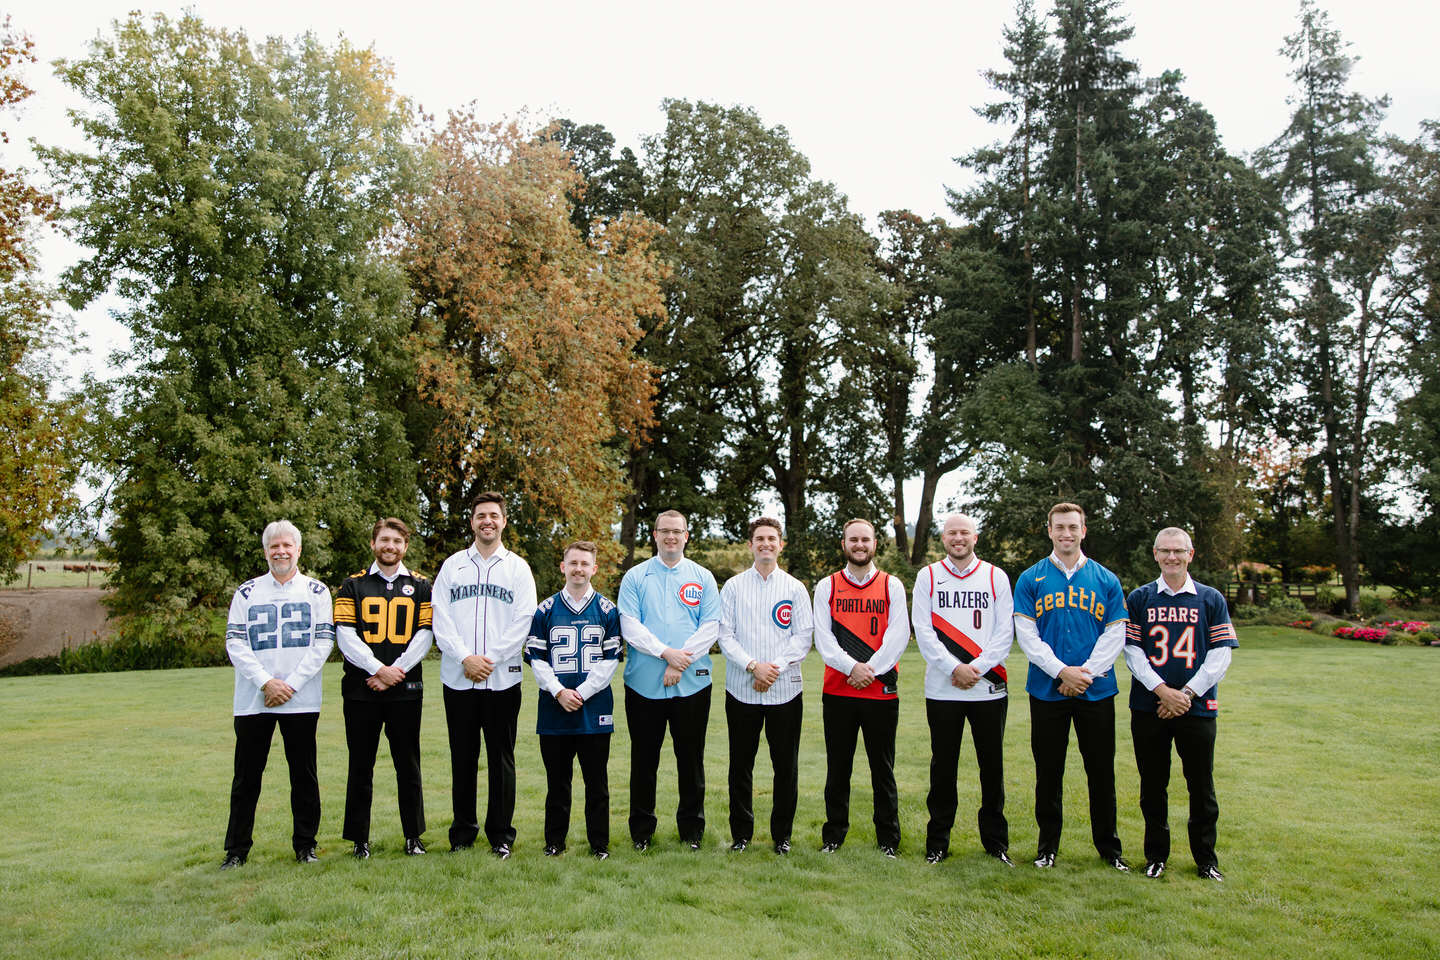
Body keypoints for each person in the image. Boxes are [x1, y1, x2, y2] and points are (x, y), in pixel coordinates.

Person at [1012, 502, 1130, 871]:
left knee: (1101, 771)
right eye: (1059, 527)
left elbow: (1116, 634)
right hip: (1048, 690)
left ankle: (1109, 850)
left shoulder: (1106, 579)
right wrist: (1062, 671)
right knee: (1049, 772)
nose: (1067, 533)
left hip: (1096, 690)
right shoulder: (1031, 578)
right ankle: (1047, 848)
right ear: (1049, 531)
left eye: (1073, 527)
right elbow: (1027, 636)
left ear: (1084, 530)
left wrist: (1084, 675)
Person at [220, 519, 336, 868]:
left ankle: (306, 846)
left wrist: (292, 684)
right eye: (274, 546)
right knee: (246, 778)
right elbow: (235, 642)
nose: (281, 551)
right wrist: (265, 682)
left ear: (298, 550)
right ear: (266, 551)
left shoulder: (316, 592)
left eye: (287, 546)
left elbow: (323, 642)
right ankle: (236, 851)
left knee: (303, 775)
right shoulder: (247, 592)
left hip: (300, 700)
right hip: (255, 700)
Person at [1124, 527, 1238, 881]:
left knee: (1201, 785)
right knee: (1152, 785)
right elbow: (1131, 651)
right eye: (1165, 551)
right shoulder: (1140, 598)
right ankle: (1156, 856)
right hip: (1149, 707)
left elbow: (1220, 655)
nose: (1172, 557)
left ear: (1191, 554)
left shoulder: (1210, 598)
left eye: (1179, 551)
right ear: (1155, 554)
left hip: (1197, 707)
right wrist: (1162, 691)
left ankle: (1206, 859)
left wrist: (1185, 694)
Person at [431, 491, 538, 858]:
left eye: (494, 515)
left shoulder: (517, 568)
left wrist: (488, 659)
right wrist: (465, 658)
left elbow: (523, 620)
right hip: (458, 678)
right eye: (481, 516)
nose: (487, 521)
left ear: (504, 521)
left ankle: (501, 836)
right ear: (472, 521)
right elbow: (439, 618)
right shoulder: (453, 565)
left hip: (502, 678)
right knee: (462, 757)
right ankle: (462, 834)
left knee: (501, 757)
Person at [911, 513, 1015, 866]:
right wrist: (955, 667)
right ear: (943, 538)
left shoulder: (994, 576)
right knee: (943, 768)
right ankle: (937, 842)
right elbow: (923, 632)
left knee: (992, 767)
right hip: (943, 689)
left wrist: (976, 669)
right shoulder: (928, 576)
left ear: (975, 537)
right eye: (952, 533)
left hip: (988, 688)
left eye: (965, 533)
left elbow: (1005, 632)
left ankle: (996, 844)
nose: (959, 538)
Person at [616, 510, 721, 851]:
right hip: (643, 685)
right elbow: (630, 625)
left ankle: (692, 831)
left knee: (690, 760)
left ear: (687, 535)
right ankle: (642, 832)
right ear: (655, 534)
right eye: (665, 531)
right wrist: (666, 653)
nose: (671, 537)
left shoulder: (703, 577)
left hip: (692, 684)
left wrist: (680, 660)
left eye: (677, 531)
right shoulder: (635, 577)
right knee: (644, 761)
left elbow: (710, 627)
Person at [333, 518, 434, 859]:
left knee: (408, 766)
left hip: (405, 688)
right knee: (361, 765)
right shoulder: (352, 585)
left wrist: (396, 671)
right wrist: (378, 669)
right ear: (373, 543)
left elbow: (425, 635)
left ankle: (413, 837)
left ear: (405, 546)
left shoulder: (421, 586)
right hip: (362, 688)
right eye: (384, 540)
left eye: (397, 541)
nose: (390, 546)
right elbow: (345, 635)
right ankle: (360, 840)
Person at [812, 518, 909, 857]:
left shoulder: (890, 585)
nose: (859, 545)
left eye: (865, 539)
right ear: (844, 544)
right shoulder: (827, 586)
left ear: (874, 544)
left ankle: (888, 840)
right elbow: (823, 639)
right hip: (839, 690)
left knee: (882, 769)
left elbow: (898, 636)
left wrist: (870, 670)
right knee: (838, 768)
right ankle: (834, 836)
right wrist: (852, 667)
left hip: (880, 692)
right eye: (853, 539)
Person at [717, 517, 814, 855]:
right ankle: (741, 835)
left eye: (772, 538)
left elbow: (803, 637)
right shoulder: (732, 587)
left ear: (780, 544)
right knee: (740, 765)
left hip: (785, 690)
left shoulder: (794, 588)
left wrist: (772, 669)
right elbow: (724, 635)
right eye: (759, 539)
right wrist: (752, 666)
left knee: (785, 766)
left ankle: (781, 837)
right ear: (750, 545)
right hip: (741, 689)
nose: (766, 544)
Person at [524, 541, 624, 860]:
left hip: (594, 709)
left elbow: (611, 660)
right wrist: (559, 691)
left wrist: (582, 692)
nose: (578, 568)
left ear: (594, 568)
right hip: (554, 709)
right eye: (573, 563)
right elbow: (536, 658)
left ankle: (599, 843)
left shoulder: (608, 610)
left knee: (597, 783)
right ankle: (554, 842)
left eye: (585, 563)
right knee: (557, 784)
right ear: (563, 566)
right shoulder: (545, 609)